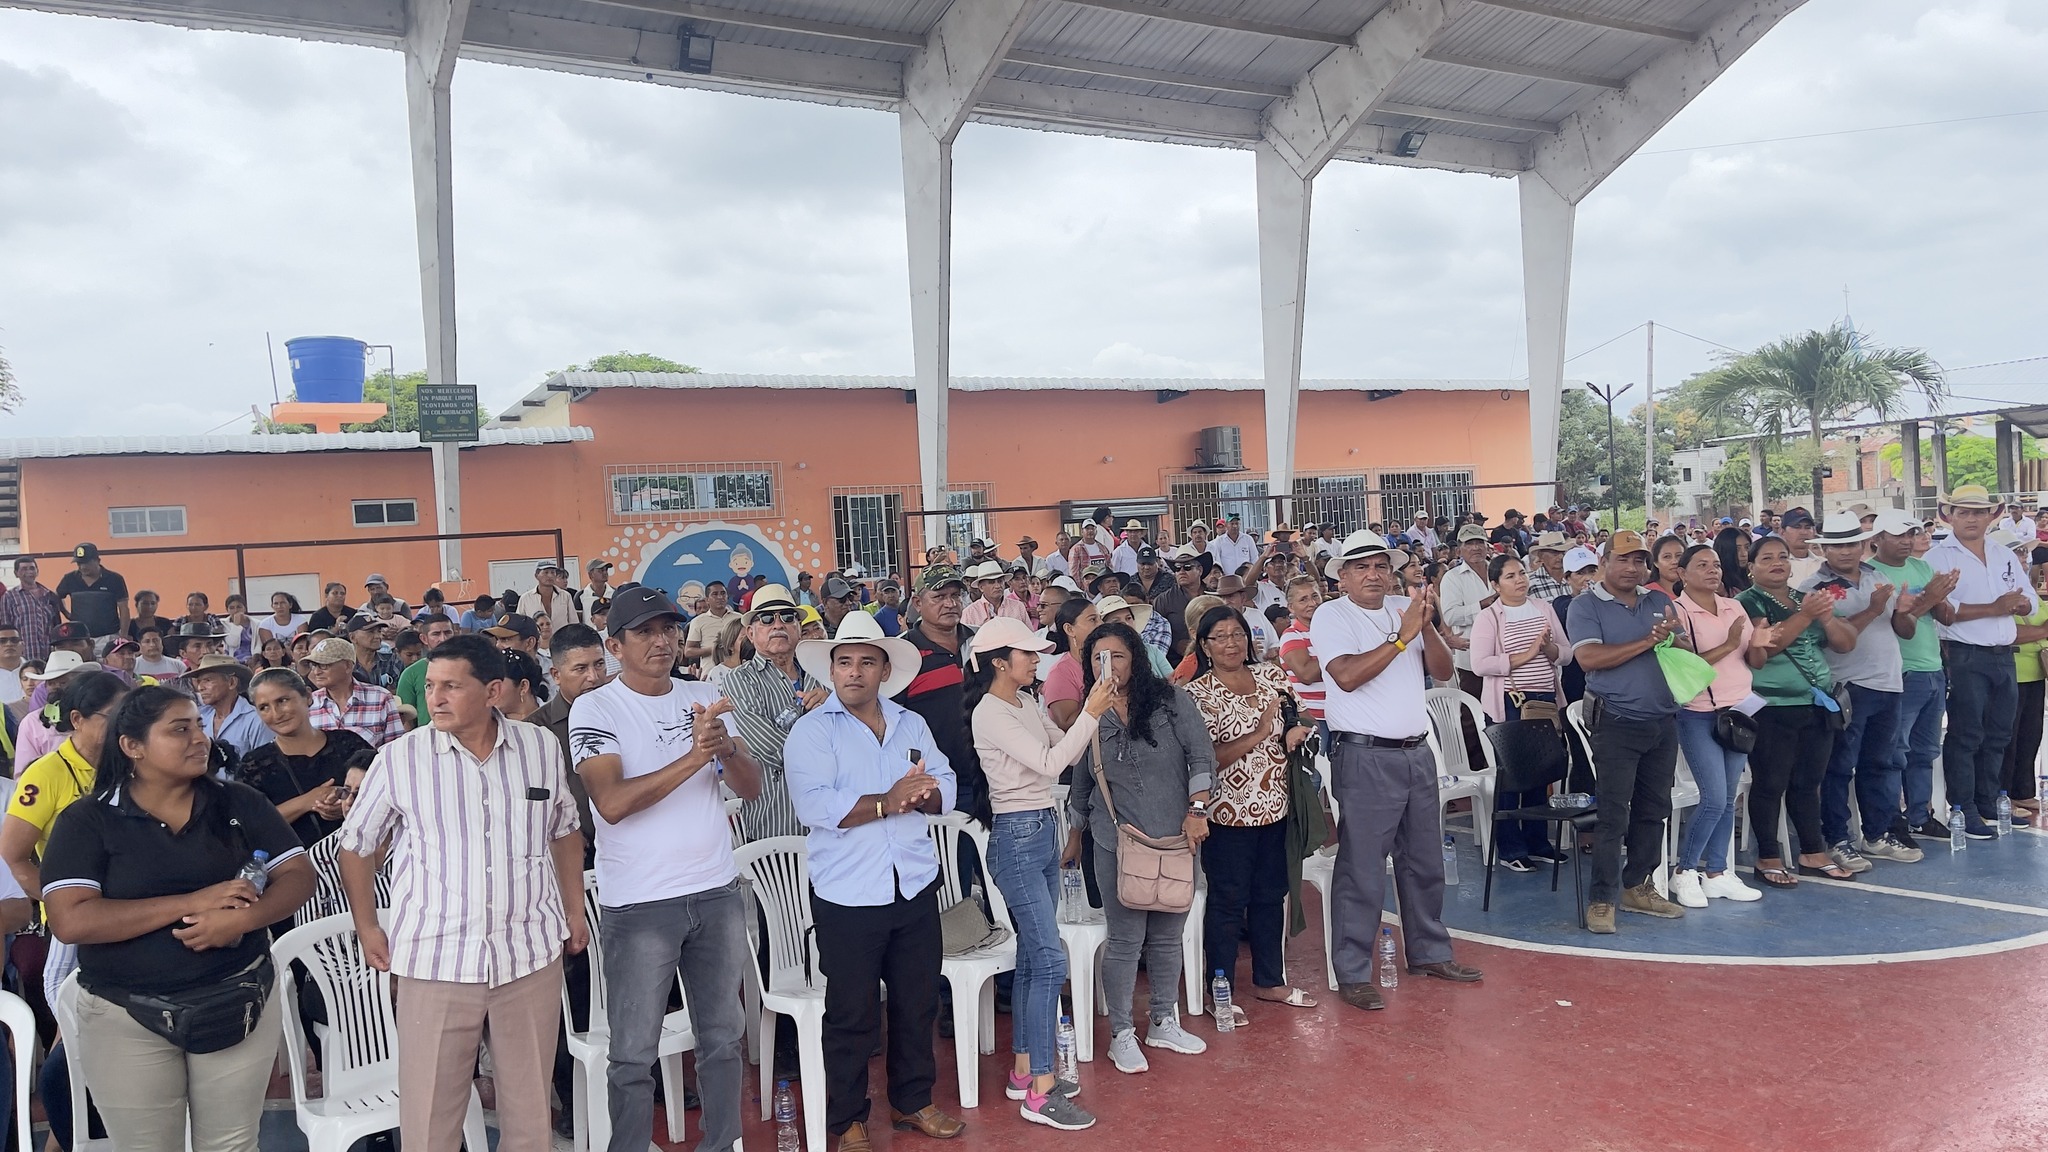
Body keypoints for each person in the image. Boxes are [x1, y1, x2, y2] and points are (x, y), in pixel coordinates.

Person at [334, 635, 587, 1152]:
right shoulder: (400, 759)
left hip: (528, 955)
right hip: (437, 960)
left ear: (493, 691)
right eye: (431, 686)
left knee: (530, 1116)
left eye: (451, 686)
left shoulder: (539, 747)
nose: (436, 698)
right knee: (431, 1122)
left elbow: (564, 829)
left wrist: (574, 909)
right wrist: (367, 927)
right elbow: (356, 846)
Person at [41, 685, 315, 1152]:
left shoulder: (238, 802)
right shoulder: (87, 820)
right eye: (180, 729)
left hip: (238, 999)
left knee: (231, 1145)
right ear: (132, 746)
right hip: (125, 1014)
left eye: (199, 726)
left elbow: (297, 875)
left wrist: (242, 921)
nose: (199, 738)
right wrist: (194, 901)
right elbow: (72, 921)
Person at [567, 585, 759, 1152]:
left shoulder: (703, 695)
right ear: (614, 646)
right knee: (633, 1052)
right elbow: (612, 803)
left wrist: (726, 750)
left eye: (669, 629)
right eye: (645, 632)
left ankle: (720, 1144)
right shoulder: (595, 707)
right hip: (640, 903)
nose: (661, 641)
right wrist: (696, 756)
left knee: (723, 1039)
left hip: (716, 890)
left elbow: (750, 787)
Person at [783, 612, 965, 1152]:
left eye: (867, 662)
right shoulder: (812, 731)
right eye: (844, 662)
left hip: (912, 883)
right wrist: (889, 800)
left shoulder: (911, 724)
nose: (854, 672)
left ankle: (912, 1102)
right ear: (831, 670)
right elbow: (816, 806)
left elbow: (946, 784)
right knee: (851, 1014)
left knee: (917, 1002)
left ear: (885, 671)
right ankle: (848, 1121)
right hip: (847, 893)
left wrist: (922, 795)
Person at [1307, 530, 1481, 1008]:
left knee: (1424, 860)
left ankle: (1429, 952)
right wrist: (1402, 636)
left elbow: (1442, 671)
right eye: (1361, 566)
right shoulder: (1332, 615)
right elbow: (1346, 676)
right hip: (1365, 755)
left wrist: (1425, 626)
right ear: (1342, 577)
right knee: (1362, 867)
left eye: (1381, 566)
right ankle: (1353, 971)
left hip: (1416, 751)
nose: (1373, 574)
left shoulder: (1404, 608)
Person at [962, 616, 1108, 1130]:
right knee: (1048, 961)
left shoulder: (1023, 700)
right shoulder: (990, 711)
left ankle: (1025, 1070)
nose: (1035, 660)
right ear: (1000, 662)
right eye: (1027, 654)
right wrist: (1091, 712)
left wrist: (1090, 714)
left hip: (1039, 828)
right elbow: (1051, 762)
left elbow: (1063, 746)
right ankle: (1041, 1091)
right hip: (1019, 837)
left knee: (1033, 957)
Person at [1064, 621, 1214, 1070]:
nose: (1108, 665)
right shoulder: (1091, 715)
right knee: (1125, 940)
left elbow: (1201, 756)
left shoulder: (1171, 701)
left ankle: (1163, 1021)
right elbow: (1081, 782)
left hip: (1178, 836)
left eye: (1118, 656)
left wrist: (1197, 811)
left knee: (1167, 937)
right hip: (1117, 841)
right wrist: (1074, 838)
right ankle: (1122, 1033)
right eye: (1098, 658)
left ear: (1137, 660)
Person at [1185, 605, 1317, 1020]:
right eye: (1221, 637)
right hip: (1227, 816)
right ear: (1205, 645)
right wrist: (1259, 734)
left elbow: (1300, 713)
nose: (1231, 643)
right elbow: (1206, 759)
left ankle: (1269, 980)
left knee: (1270, 896)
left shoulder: (1272, 676)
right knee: (1227, 902)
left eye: (1238, 634)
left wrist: (1296, 729)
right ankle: (1219, 988)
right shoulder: (1197, 694)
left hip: (1277, 808)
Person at [1565, 530, 1689, 933]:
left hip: (1662, 720)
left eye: (1639, 560)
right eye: (1623, 559)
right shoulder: (1585, 606)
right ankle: (1602, 899)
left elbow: (1684, 650)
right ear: (1604, 562)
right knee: (1613, 814)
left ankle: (1638, 885)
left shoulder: (1658, 600)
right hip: (1615, 721)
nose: (1632, 567)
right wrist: (1648, 641)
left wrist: (1674, 640)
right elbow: (1588, 658)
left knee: (1654, 809)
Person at [1799, 511, 1921, 870]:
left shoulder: (1877, 576)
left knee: (1880, 764)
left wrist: (1904, 612)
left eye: (1852, 544)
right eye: (1837, 546)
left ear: (1863, 544)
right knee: (1839, 767)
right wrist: (1873, 609)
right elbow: (1833, 641)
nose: (1846, 551)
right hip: (1847, 685)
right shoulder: (1814, 589)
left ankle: (1876, 834)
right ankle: (1838, 838)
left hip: (1888, 681)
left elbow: (1903, 630)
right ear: (1824, 549)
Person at [1738, 535, 1858, 887]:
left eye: (1782, 557)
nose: (1777, 563)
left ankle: (1812, 851)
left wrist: (1826, 617)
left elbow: (1845, 643)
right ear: (1751, 567)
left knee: (1808, 783)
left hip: (1816, 703)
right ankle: (1768, 856)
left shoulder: (1802, 597)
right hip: (1772, 706)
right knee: (1770, 783)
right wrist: (1806, 615)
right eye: (1767, 558)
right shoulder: (1747, 601)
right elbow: (1766, 648)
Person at [1927, 485, 2041, 839]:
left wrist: (2023, 605)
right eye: (1963, 512)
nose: (1972, 519)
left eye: (1978, 512)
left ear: (1993, 515)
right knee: (1966, 734)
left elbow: (2030, 598)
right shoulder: (1937, 557)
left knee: (1999, 733)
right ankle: (1964, 808)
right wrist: (1996, 608)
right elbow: (1943, 612)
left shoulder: (2002, 553)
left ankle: (1988, 800)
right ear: (1949, 515)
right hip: (1964, 654)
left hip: (2003, 654)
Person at [1664, 545, 1763, 905]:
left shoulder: (1734, 607)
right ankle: (1684, 871)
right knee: (1714, 797)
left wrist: (1761, 642)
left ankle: (1718, 873)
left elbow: (1751, 656)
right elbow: (1689, 662)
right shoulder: (1676, 612)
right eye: (1702, 565)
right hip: (1699, 712)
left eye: (1717, 565)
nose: (1713, 571)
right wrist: (1731, 641)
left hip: (1739, 711)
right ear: (1682, 573)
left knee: (1729, 797)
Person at [1467, 553, 1573, 872]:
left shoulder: (1543, 608)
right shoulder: (1489, 617)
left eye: (1522, 573)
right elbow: (1480, 664)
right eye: (1510, 576)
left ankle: (1538, 842)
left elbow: (1566, 653)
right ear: (1496, 584)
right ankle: (1511, 847)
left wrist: (1548, 649)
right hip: (1509, 702)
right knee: (1511, 776)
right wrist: (1527, 654)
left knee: (1541, 773)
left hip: (1544, 700)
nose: (1520, 580)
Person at [1865, 509, 1959, 841]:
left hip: (1932, 668)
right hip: (1900, 671)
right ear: (1877, 539)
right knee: (1895, 752)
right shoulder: (1871, 574)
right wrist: (1929, 598)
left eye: (1911, 534)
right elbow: (1898, 625)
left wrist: (1941, 596)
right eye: (1898, 535)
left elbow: (1946, 616)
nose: (1907, 541)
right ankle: (1892, 820)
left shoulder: (1922, 567)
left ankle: (1920, 815)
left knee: (1925, 751)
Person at [719, 585, 825, 843]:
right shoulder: (739, 680)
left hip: (831, 820)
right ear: (750, 633)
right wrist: (828, 734)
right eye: (766, 618)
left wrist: (833, 706)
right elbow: (771, 749)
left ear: (798, 627)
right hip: (777, 823)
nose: (778, 624)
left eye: (787, 617)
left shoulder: (823, 673)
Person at [239, 667, 374, 848]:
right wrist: (308, 801)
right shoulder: (254, 765)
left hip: (362, 855)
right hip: (293, 863)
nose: (276, 714)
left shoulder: (349, 744)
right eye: (264, 707)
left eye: (283, 701)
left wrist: (348, 802)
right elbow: (247, 826)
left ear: (308, 696)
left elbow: (384, 791)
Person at [900, 565, 985, 824]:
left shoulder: (981, 642)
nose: (950, 604)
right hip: (939, 787)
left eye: (955, 596)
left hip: (991, 776)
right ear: (918, 603)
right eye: (939, 597)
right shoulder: (903, 653)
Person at [303, 637, 407, 747]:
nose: (316, 672)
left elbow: (395, 749)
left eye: (324, 665)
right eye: (314, 665)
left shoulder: (381, 698)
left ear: (348, 666)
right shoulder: (308, 704)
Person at [189, 654, 275, 758]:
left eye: (208, 680)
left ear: (231, 682)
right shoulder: (200, 717)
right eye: (199, 682)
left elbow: (266, 762)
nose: (200, 687)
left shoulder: (256, 720)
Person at [1040, 597, 1101, 731]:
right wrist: (1099, 701)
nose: (1101, 624)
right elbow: (1065, 723)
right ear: (1069, 629)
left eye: (1100, 618)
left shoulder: (1104, 659)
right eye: (1093, 619)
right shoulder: (1060, 673)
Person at [394, 613, 459, 727]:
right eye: (436, 634)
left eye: (447, 633)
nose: (442, 639)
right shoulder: (411, 673)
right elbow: (406, 719)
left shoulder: (469, 667)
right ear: (424, 639)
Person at [0, 555, 63, 663]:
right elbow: (6, 628)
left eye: (32, 568)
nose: (29, 572)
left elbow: (56, 624)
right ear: (16, 573)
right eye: (24, 569)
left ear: (37, 571)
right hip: (24, 655)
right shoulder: (9, 597)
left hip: (50, 655)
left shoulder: (49, 595)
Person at [683, 579, 738, 676]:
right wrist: (713, 650)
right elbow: (688, 651)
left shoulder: (738, 618)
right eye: (715, 594)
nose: (720, 597)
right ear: (707, 600)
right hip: (709, 674)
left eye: (723, 593)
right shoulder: (698, 621)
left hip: (737, 672)